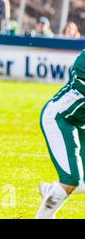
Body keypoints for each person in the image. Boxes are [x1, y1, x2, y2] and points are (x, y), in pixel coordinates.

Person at [36, 49, 85, 219]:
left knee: (82, 183)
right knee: (71, 180)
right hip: (59, 119)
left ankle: (51, 191)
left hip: (80, 123)